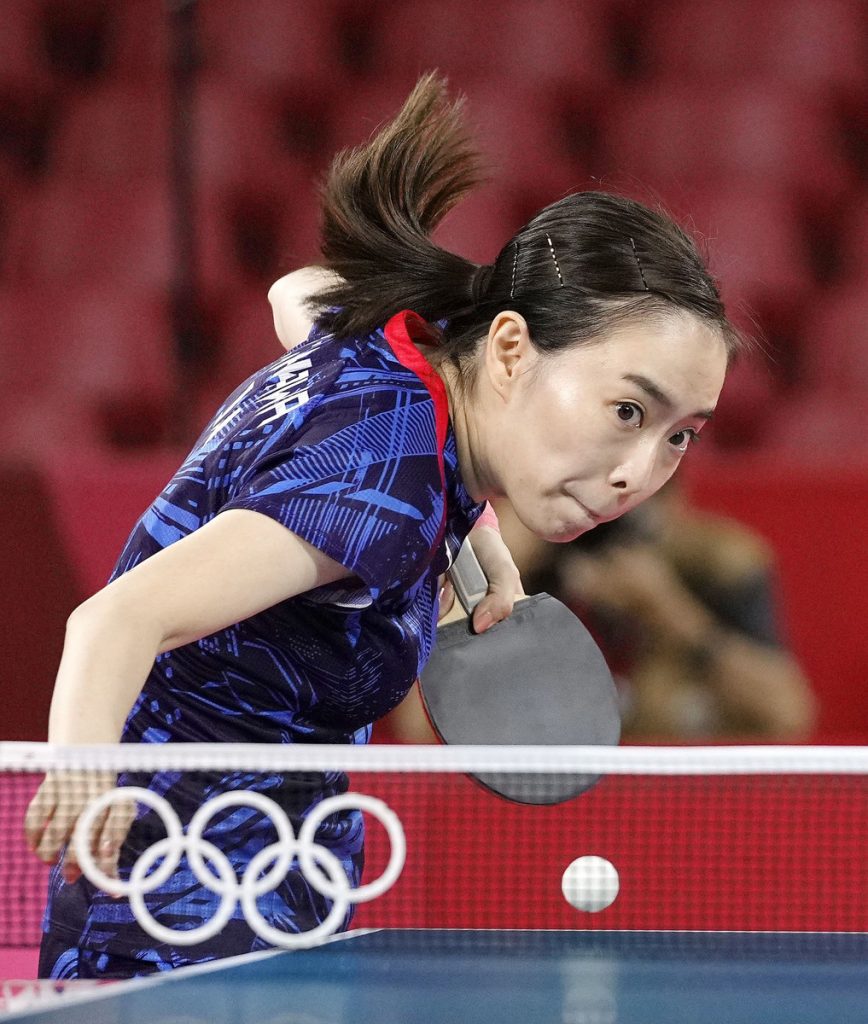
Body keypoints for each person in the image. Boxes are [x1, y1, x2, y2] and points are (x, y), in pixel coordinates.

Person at [25, 73, 739, 978]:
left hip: (277, 880)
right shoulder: (385, 500)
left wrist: (467, 523)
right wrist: (84, 777)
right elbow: (113, 619)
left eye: (683, 435)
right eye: (628, 411)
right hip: (190, 904)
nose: (642, 472)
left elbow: (300, 294)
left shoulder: (405, 340)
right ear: (512, 349)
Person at [522, 482, 816, 739]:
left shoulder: (723, 565)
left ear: (673, 498)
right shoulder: (547, 560)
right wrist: (519, 532)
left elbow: (788, 715)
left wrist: (668, 610)